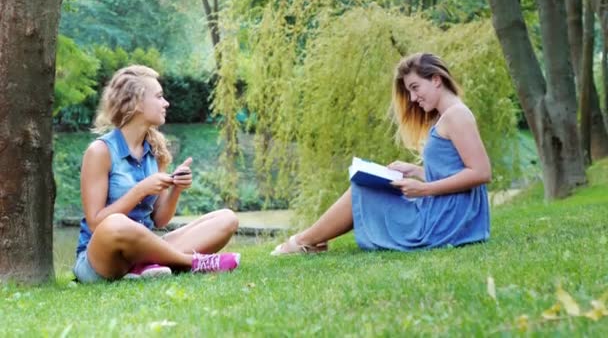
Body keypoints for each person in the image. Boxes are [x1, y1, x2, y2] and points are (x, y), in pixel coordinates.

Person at [271, 52, 491, 255]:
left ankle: (302, 242)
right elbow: (454, 170)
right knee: (368, 187)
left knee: (361, 190)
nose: (413, 98)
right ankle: (309, 241)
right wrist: (415, 170)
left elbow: (481, 173)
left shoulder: (457, 115)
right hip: (445, 213)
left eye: (415, 87)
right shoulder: (447, 116)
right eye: (409, 91)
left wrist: (425, 189)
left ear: (436, 79)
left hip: (445, 222)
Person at [73, 65, 240, 283]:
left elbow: (160, 220)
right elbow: (96, 224)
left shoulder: (156, 150)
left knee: (226, 218)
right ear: (136, 103)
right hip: (102, 259)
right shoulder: (100, 151)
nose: (166, 103)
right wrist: (141, 190)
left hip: (144, 249)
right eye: (159, 96)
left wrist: (176, 189)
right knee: (115, 223)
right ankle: (193, 263)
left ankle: (146, 266)